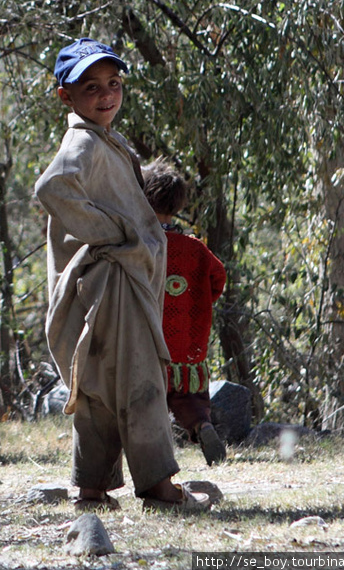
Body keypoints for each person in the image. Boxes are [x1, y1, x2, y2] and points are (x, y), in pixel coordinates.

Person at [34, 38, 211, 510]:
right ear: (65, 96)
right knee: (141, 381)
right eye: (90, 87)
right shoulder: (83, 142)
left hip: (107, 287)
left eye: (113, 83)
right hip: (113, 285)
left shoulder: (106, 140)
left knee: (97, 387)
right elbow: (52, 187)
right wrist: (115, 233)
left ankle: (91, 488)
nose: (106, 94)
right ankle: (159, 485)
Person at [142, 160, 228, 466]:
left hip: (149, 341)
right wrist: (198, 302)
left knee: (148, 397)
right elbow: (218, 278)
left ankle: (153, 452)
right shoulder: (194, 248)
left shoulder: (141, 245)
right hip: (187, 340)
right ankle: (202, 425)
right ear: (178, 205)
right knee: (189, 397)